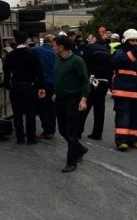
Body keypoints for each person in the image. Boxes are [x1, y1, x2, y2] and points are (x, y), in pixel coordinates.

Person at [52, 35, 89, 173]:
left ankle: (71, 162)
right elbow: (59, 77)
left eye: (54, 46)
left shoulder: (77, 61)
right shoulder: (57, 59)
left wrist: (83, 99)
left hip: (73, 100)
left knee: (71, 131)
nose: (53, 48)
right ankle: (80, 149)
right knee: (62, 130)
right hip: (60, 99)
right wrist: (56, 92)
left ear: (61, 47)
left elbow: (85, 81)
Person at [3, 31, 46, 145]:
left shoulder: (10, 55)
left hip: (16, 87)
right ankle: (31, 137)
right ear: (26, 40)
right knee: (30, 113)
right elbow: (39, 72)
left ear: (15, 41)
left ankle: (20, 137)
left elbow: (6, 72)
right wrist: (41, 87)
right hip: (29, 87)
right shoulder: (32, 54)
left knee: (17, 113)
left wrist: (8, 85)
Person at [111, 29, 137, 151]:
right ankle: (121, 141)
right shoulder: (120, 51)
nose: (135, 42)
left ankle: (133, 140)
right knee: (123, 116)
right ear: (126, 41)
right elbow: (122, 61)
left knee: (136, 117)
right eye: (132, 40)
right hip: (123, 91)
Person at [79, 33, 113, 140]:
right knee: (99, 108)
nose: (88, 40)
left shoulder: (89, 48)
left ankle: (78, 130)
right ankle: (97, 133)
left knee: (84, 105)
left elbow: (83, 63)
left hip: (92, 80)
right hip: (104, 81)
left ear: (94, 39)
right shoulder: (107, 51)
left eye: (90, 38)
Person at [32, 34, 57, 139]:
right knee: (51, 107)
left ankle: (46, 129)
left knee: (42, 106)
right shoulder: (55, 53)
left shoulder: (36, 50)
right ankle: (52, 129)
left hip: (41, 84)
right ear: (52, 43)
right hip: (53, 83)